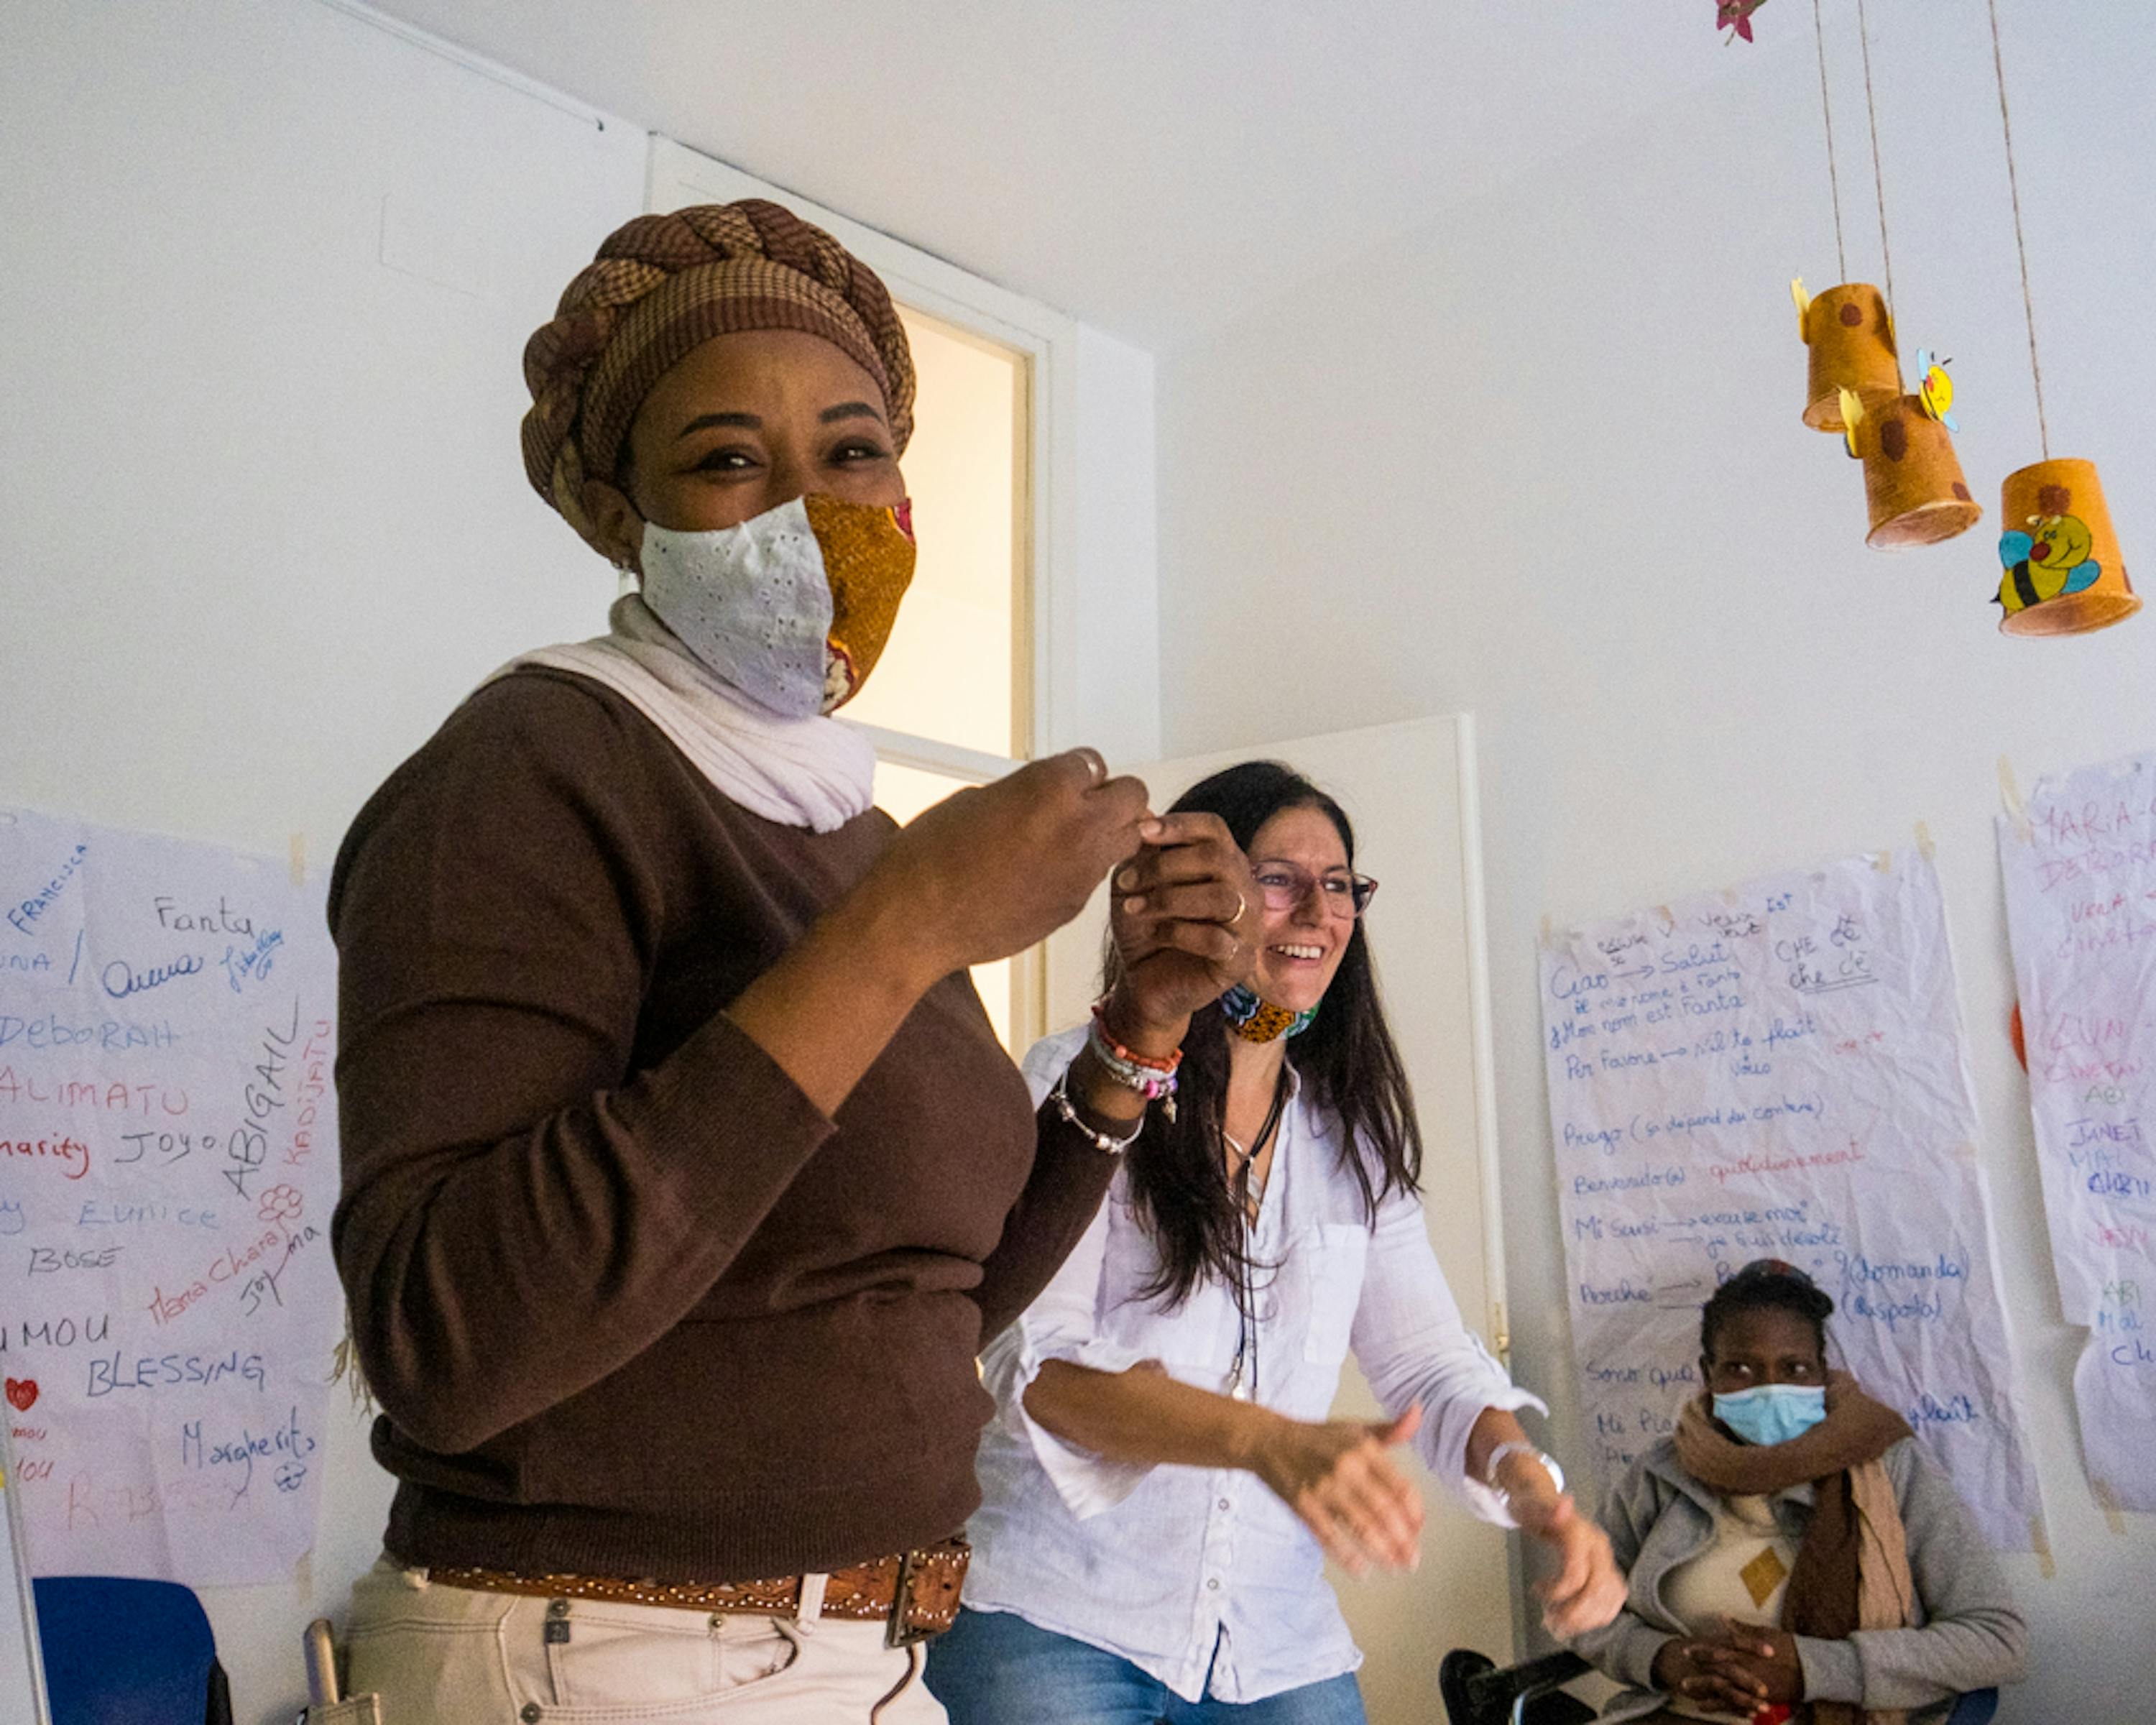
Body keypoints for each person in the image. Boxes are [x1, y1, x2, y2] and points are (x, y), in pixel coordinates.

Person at [328, 200, 1228, 1724]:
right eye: (730, 459)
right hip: (597, 1662)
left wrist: (1134, 1033)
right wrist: (904, 933)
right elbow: (443, 1339)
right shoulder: (529, 767)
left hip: (860, 1661)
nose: (813, 507)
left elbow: (932, 1296)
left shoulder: (852, 836)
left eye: (855, 449)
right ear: (621, 516)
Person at [923, 762, 1625, 1725]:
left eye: (1338, 884)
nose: (1317, 911)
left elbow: (1430, 1365)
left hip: (1270, 1640)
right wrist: (1269, 1445)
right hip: (1056, 1617)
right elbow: (1034, 1368)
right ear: (1201, 897)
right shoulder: (1079, 1081)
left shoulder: (1350, 1137)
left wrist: (1535, 1489)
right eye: (1280, 878)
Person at [1570, 1260, 2027, 1724]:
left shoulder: (1889, 1466)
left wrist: (1812, 1670)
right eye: (1741, 1368)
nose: (1771, 1389)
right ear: (1709, 1374)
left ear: (1821, 1373)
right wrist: (1661, 1658)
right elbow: (1584, 1611)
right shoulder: (1660, 1474)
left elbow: (1996, 1639)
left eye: (1795, 1368)